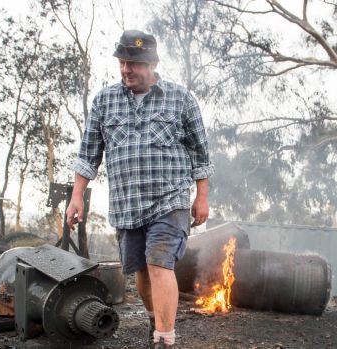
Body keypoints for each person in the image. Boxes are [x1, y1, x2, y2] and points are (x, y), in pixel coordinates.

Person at [66, 29, 213, 349]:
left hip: (169, 200)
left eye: (133, 63)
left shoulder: (181, 99)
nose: (126, 69)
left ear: (152, 64)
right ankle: (154, 318)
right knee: (141, 272)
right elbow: (89, 153)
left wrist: (201, 197)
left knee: (160, 263)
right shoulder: (104, 101)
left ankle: (165, 338)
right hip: (126, 203)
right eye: (122, 62)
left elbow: (201, 154)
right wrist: (77, 195)